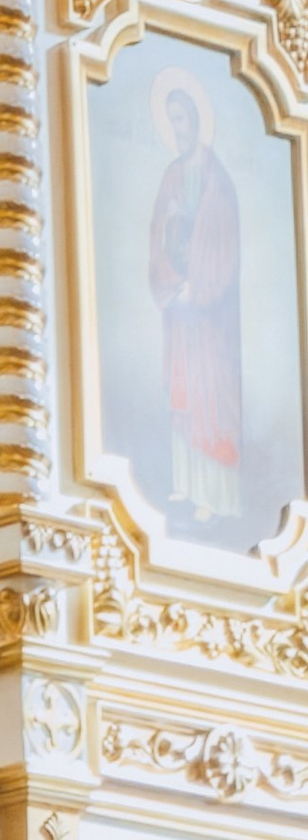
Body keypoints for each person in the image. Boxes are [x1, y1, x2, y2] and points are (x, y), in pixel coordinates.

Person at [153, 76, 243, 533]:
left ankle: (216, 494)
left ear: (197, 120)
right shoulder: (172, 174)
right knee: (184, 390)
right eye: (172, 121)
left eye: (183, 119)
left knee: (211, 397)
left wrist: (199, 286)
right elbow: (159, 234)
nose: (178, 128)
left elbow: (221, 243)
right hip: (182, 311)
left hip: (209, 317)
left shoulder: (215, 178)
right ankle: (187, 485)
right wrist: (173, 280)